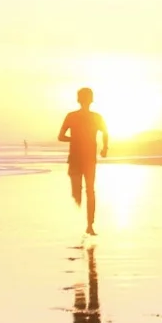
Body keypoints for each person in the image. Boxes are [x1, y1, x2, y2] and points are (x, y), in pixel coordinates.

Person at [57, 87, 108, 235]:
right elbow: (60, 136)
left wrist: (105, 147)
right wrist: (104, 148)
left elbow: (61, 137)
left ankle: (89, 225)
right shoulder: (86, 117)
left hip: (83, 158)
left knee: (87, 190)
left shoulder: (76, 116)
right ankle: (89, 224)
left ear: (78, 99)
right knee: (86, 191)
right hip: (83, 158)